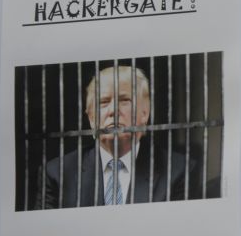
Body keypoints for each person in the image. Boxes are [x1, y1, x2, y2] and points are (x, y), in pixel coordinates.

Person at [35, 65, 190, 209]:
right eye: (103, 102)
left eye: (124, 101)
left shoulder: (178, 170)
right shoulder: (57, 174)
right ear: (92, 119)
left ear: (145, 113)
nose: (113, 110)